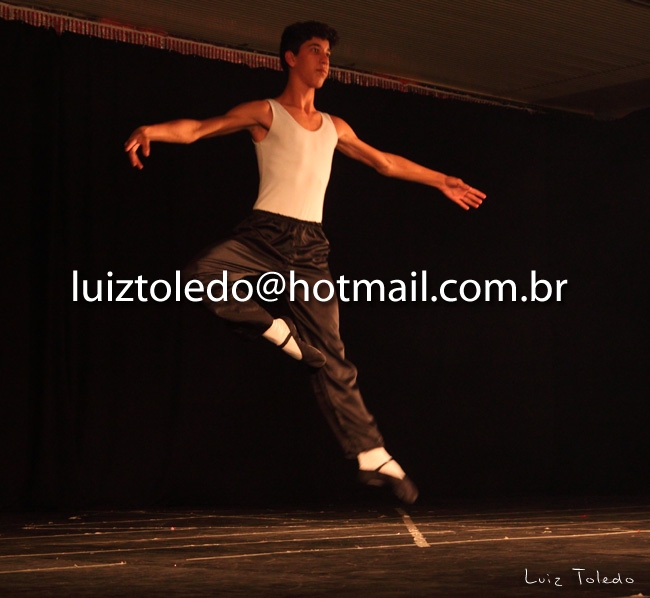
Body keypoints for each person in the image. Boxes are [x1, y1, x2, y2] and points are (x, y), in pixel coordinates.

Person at [124, 21, 486, 504]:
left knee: (331, 354)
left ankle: (371, 453)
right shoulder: (266, 112)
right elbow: (198, 130)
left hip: (311, 249)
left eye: (329, 54)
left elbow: (384, 162)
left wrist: (441, 179)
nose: (325, 60)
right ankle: (277, 331)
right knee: (200, 276)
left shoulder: (336, 127)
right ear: (291, 58)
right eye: (315, 50)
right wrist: (151, 130)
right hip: (263, 236)